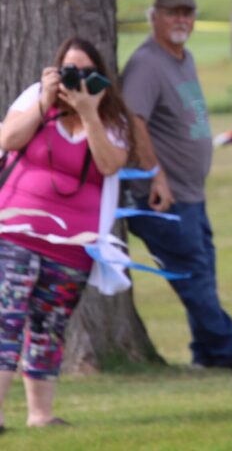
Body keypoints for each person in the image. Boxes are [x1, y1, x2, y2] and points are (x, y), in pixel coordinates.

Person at [121, 0, 232, 373]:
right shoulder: (147, 64)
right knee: (193, 275)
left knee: (202, 272)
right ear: (155, 16)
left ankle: (206, 353)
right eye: (173, 12)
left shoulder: (181, 58)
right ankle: (230, 350)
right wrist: (155, 175)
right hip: (159, 197)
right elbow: (133, 119)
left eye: (187, 12)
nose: (181, 19)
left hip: (190, 194)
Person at [0, 37, 133, 428]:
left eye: (86, 72)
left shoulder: (113, 120)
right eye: (68, 71)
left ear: (101, 77)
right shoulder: (35, 99)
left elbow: (110, 165)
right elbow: (7, 139)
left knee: (49, 325)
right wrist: (44, 101)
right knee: (6, 317)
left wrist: (89, 113)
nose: (76, 79)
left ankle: (40, 415)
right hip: (16, 230)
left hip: (73, 245)